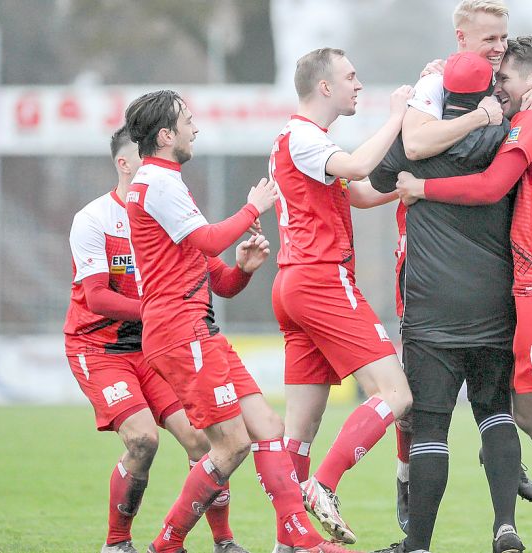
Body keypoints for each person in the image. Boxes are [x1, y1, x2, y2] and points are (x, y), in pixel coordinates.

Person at [396, 36, 532, 553]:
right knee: (527, 413)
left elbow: (492, 186)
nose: (500, 88)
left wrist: (422, 189)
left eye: (507, 80)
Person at [123, 90, 358, 553]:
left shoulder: (168, 183)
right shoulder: (157, 183)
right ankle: (166, 543)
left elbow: (219, 279)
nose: (196, 128)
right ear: (166, 135)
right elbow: (210, 241)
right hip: (179, 331)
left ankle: (301, 538)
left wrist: (244, 269)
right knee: (231, 446)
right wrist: (255, 206)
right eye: (188, 121)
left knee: (267, 427)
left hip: (198, 329)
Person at [65, 127, 253, 553]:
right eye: (142, 156)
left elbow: (220, 282)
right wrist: (161, 310)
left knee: (204, 441)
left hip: (155, 345)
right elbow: (96, 297)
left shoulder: (169, 205)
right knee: (143, 439)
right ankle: (117, 544)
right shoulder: (93, 219)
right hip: (101, 348)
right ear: (124, 163)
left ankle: (224, 541)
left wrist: (243, 268)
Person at [370, 51, 524, 553]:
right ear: (486, 93)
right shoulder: (505, 137)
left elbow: (370, 181)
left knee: (431, 427)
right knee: (495, 413)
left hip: (430, 309)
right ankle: (506, 527)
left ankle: (417, 544)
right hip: (493, 304)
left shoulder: (414, 146)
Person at [268, 47, 414, 546]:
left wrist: (409, 188)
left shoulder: (306, 141)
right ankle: (323, 486)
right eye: (351, 77)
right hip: (320, 279)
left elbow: (362, 192)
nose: (358, 84)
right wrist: (398, 117)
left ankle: (288, 541)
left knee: (299, 432)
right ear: (324, 86)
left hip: (294, 285)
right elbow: (355, 168)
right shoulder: (305, 136)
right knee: (397, 394)